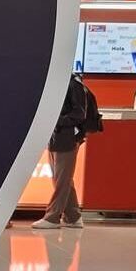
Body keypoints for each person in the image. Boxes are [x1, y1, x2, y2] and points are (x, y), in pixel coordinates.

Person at [32, 73, 87, 230]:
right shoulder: (58, 83)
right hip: (56, 136)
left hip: (67, 137)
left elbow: (79, 114)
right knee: (61, 178)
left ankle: (53, 217)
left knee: (62, 179)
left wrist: (56, 120)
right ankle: (73, 216)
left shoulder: (74, 84)